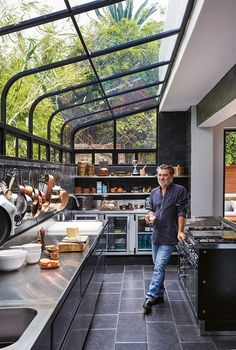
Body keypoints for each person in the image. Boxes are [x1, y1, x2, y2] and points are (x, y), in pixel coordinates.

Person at [143, 164, 187, 312]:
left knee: (159, 266)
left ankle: (150, 296)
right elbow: (151, 210)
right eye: (160, 175)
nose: (162, 177)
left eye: (165, 175)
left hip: (169, 235)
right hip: (156, 235)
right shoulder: (154, 192)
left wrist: (180, 231)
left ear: (171, 176)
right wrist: (149, 216)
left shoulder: (180, 190)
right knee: (157, 266)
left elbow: (181, 212)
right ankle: (160, 295)